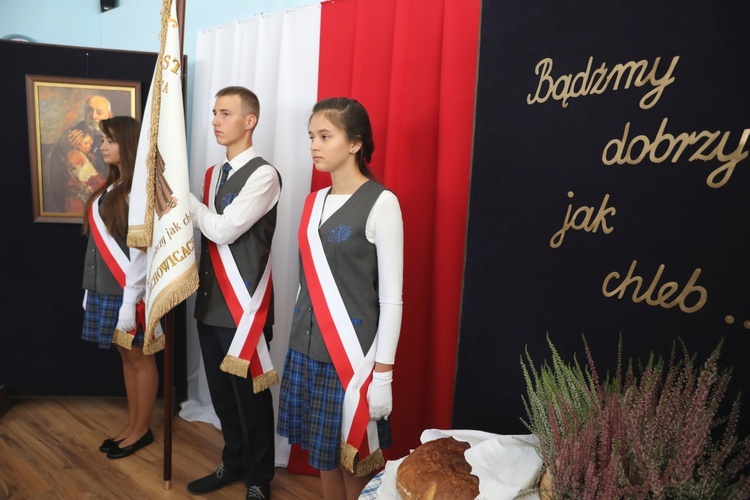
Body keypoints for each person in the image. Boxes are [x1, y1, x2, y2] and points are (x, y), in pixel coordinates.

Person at [277, 97, 404, 500]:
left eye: (325, 136)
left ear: (355, 143)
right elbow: (307, 282)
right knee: (323, 459)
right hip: (305, 349)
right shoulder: (313, 202)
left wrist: (382, 375)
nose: (314, 145)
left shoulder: (382, 203)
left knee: (355, 464)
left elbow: (392, 298)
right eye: (311, 136)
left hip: (351, 360)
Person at [187, 86, 282, 500]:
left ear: (250, 121)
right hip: (209, 303)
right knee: (221, 395)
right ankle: (234, 460)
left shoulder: (264, 174)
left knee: (251, 399)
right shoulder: (213, 174)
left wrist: (186, 204)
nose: (215, 120)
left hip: (245, 310)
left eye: (225, 113)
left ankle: (259, 478)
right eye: (213, 112)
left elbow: (223, 229)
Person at [81, 116, 157, 460]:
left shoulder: (140, 190)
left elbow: (140, 252)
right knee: (126, 357)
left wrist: (131, 301)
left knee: (140, 358)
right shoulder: (111, 187)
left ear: (126, 143)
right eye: (101, 140)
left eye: (108, 140)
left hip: (129, 292)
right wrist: (89, 290)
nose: (102, 146)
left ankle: (142, 430)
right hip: (104, 289)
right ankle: (132, 425)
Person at [49, 95, 113, 212]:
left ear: (109, 115)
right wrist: (63, 149)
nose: (93, 116)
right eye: (89, 111)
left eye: (99, 112)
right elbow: (56, 167)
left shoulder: (115, 136)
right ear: (84, 112)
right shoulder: (74, 133)